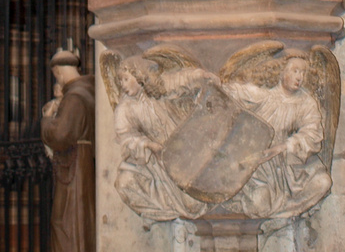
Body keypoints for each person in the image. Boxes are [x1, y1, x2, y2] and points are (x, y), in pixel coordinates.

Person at [222, 52, 331, 219]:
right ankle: (269, 209)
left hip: (289, 165)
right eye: (295, 71)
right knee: (259, 205)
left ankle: (287, 213)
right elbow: (235, 92)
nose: (299, 77)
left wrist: (284, 147)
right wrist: (212, 81)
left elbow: (312, 132)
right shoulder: (264, 96)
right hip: (259, 165)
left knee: (323, 182)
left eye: (303, 72)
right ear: (281, 72)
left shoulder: (306, 102)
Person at [113, 56, 214, 220]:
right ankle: (162, 211)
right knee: (125, 183)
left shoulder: (158, 88)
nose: (122, 85)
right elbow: (125, 137)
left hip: (182, 151)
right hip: (154, 161)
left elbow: (179, 80)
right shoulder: (125, 108)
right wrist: (148, 145)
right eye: (120, 80)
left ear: (139, 77)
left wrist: (199, 75)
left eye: (126, 79)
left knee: (193, 203)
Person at [41, 50, 95, 252]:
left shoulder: (75, 97)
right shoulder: (88, 92)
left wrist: (47, 119)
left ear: (59, 73)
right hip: (81, 163)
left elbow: (60, 135)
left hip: (75, 168)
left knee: (65, 223)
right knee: (76, 220)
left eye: (57, 76)